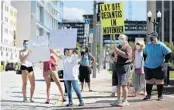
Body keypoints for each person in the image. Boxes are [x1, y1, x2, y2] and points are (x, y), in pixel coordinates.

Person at [143, 32, 172, 101]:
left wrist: (166, 61)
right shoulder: (148, 45)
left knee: (159, 81)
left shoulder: (161, 45)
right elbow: (144, 53)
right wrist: (146, 61)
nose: (150, 38)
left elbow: (169, 53)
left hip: (158, 66)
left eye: (151, 36)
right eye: (150, 37)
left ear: (155, 36)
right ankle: (148, 95)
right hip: (148, 66)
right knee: (149, 81)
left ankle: (160, 96)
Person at [110, 34, 132, 107]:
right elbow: (113, 56)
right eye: (119, 38)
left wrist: (117, 50)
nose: (120, 40)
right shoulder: (118, 47)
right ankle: (118, 99)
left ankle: (125, 100)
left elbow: (127, 55)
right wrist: (113, 58)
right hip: (117, 67)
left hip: (124, 67)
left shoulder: (128, 47)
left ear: (125, 39)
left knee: (123, 85)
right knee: (118, 85)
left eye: (122, 38)